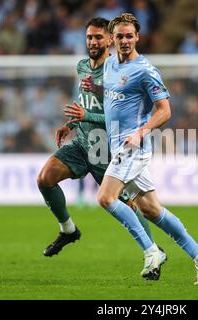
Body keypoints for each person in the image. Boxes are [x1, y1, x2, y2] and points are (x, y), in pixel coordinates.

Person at [94, 13, 198, 284]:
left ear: (137, 37)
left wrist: (140, 133)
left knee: (105, 198)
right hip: (117, 147)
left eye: (129, 36)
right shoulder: (110, 65)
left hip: (133, 146)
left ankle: (151, 251)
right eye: (120, 36)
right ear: (112, 39)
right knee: (150, 209)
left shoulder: (145, 70)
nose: (125, 41)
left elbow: (165, 110)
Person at [37, 17, 154, 258]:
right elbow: (84, 104)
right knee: (45, 178)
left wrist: (86, 115)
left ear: (110, 40)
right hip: (82, 142)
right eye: (89, 36)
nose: (92, 41)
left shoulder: (116, 72)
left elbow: (116, 118)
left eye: (98, 37)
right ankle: (68, 230)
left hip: (107, 148)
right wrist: (71, 123)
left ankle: (153, 250)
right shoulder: (82, 66)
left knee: (130, 205)